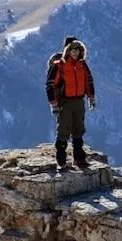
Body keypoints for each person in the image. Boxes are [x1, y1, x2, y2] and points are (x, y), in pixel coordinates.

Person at [45, 36, 98, 171]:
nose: (75, 52)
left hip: (78, 102)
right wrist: (54, 104)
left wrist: (91, 97)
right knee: (63, 130)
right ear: (67, 50)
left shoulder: (82, 65)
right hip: (65, 103)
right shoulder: (59, 66)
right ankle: (61, 161)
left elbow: (88, 81)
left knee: (78, 130)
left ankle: (79, 158)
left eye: (77, 50)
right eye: (72, 49)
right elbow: (50, 85)